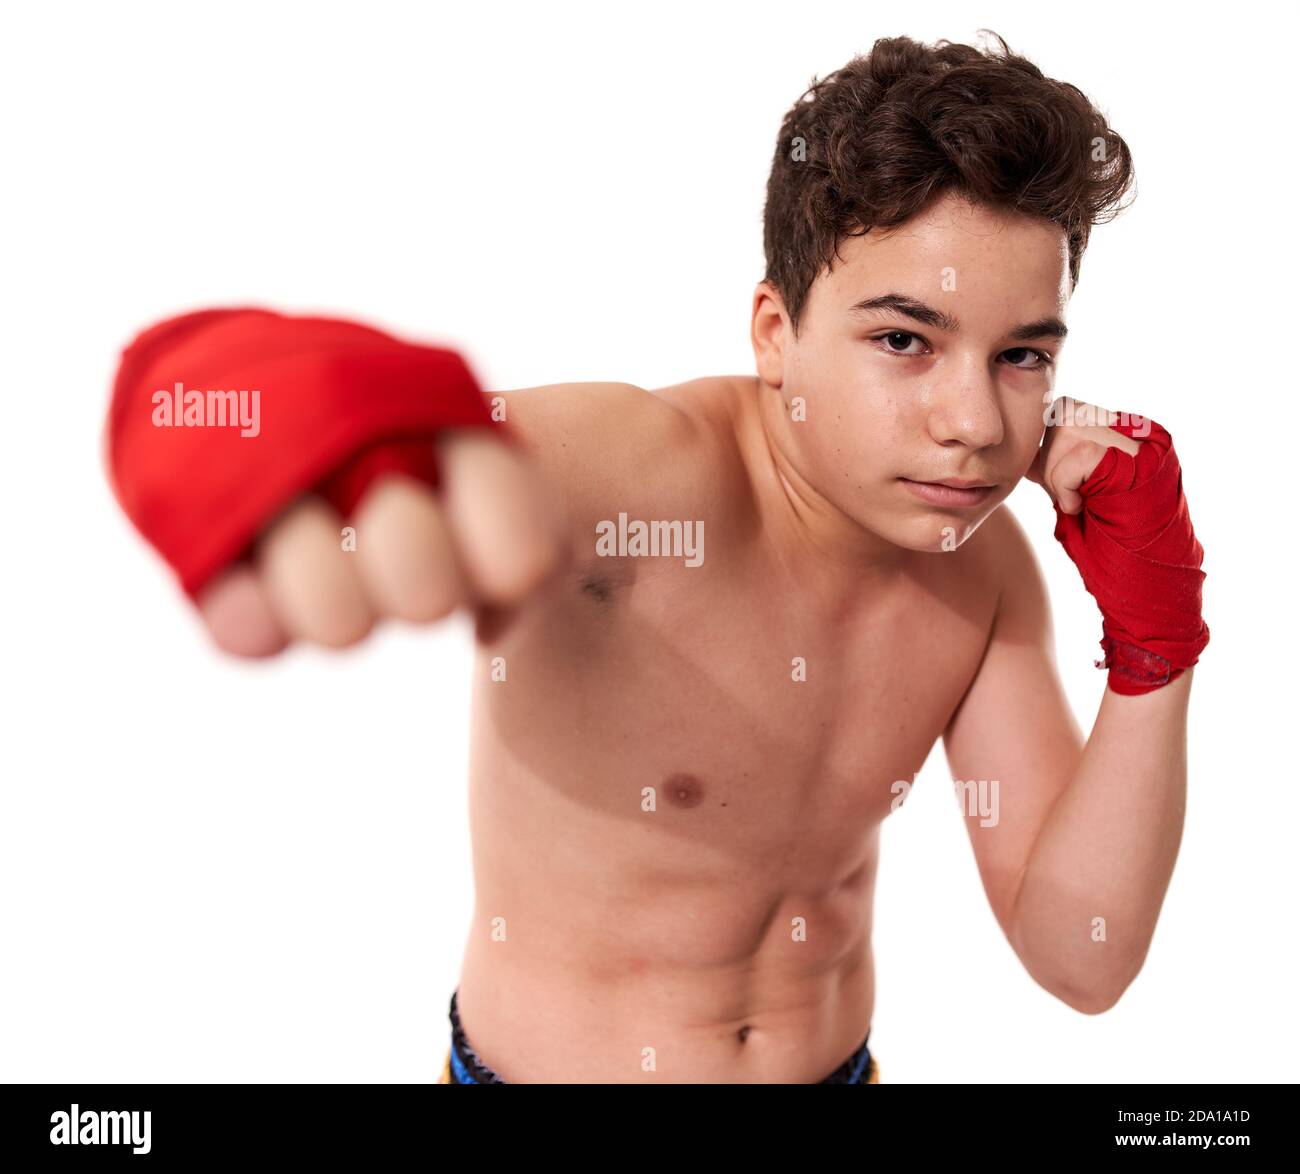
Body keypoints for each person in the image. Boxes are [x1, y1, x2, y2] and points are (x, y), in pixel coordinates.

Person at [105, 32, 1208, 1083]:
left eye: (1019, 356)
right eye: (903, 341)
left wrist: (1155, 641)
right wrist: (242, 402)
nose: (972, 421)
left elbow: (1083, 955)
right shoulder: (645, 478)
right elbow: (419, 440)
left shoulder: (984, 566)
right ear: (775, 333)